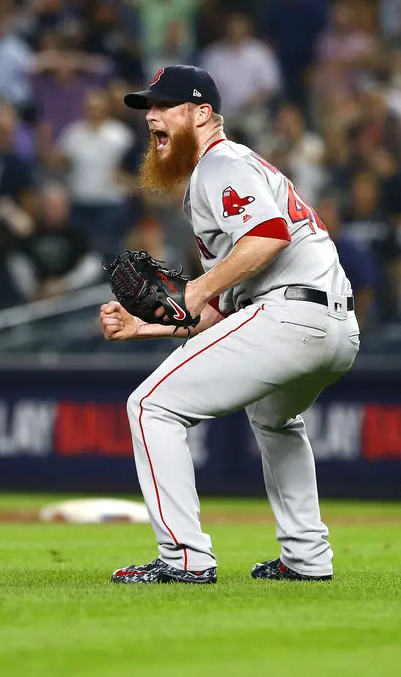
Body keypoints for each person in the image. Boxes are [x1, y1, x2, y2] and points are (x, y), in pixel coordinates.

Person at [100, 65, 359, 584]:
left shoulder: (220, 163)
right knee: (274, 417)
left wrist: (193, 288)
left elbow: (268, 236)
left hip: (289, 315)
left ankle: (184, 560)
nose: (151, 116)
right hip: (332, 326)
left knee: (152, 406)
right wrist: (142, 327)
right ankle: (307, 558)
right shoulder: (232, 169)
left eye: (164, 105)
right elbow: (224, 314)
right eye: (147, 107)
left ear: (202, 114)